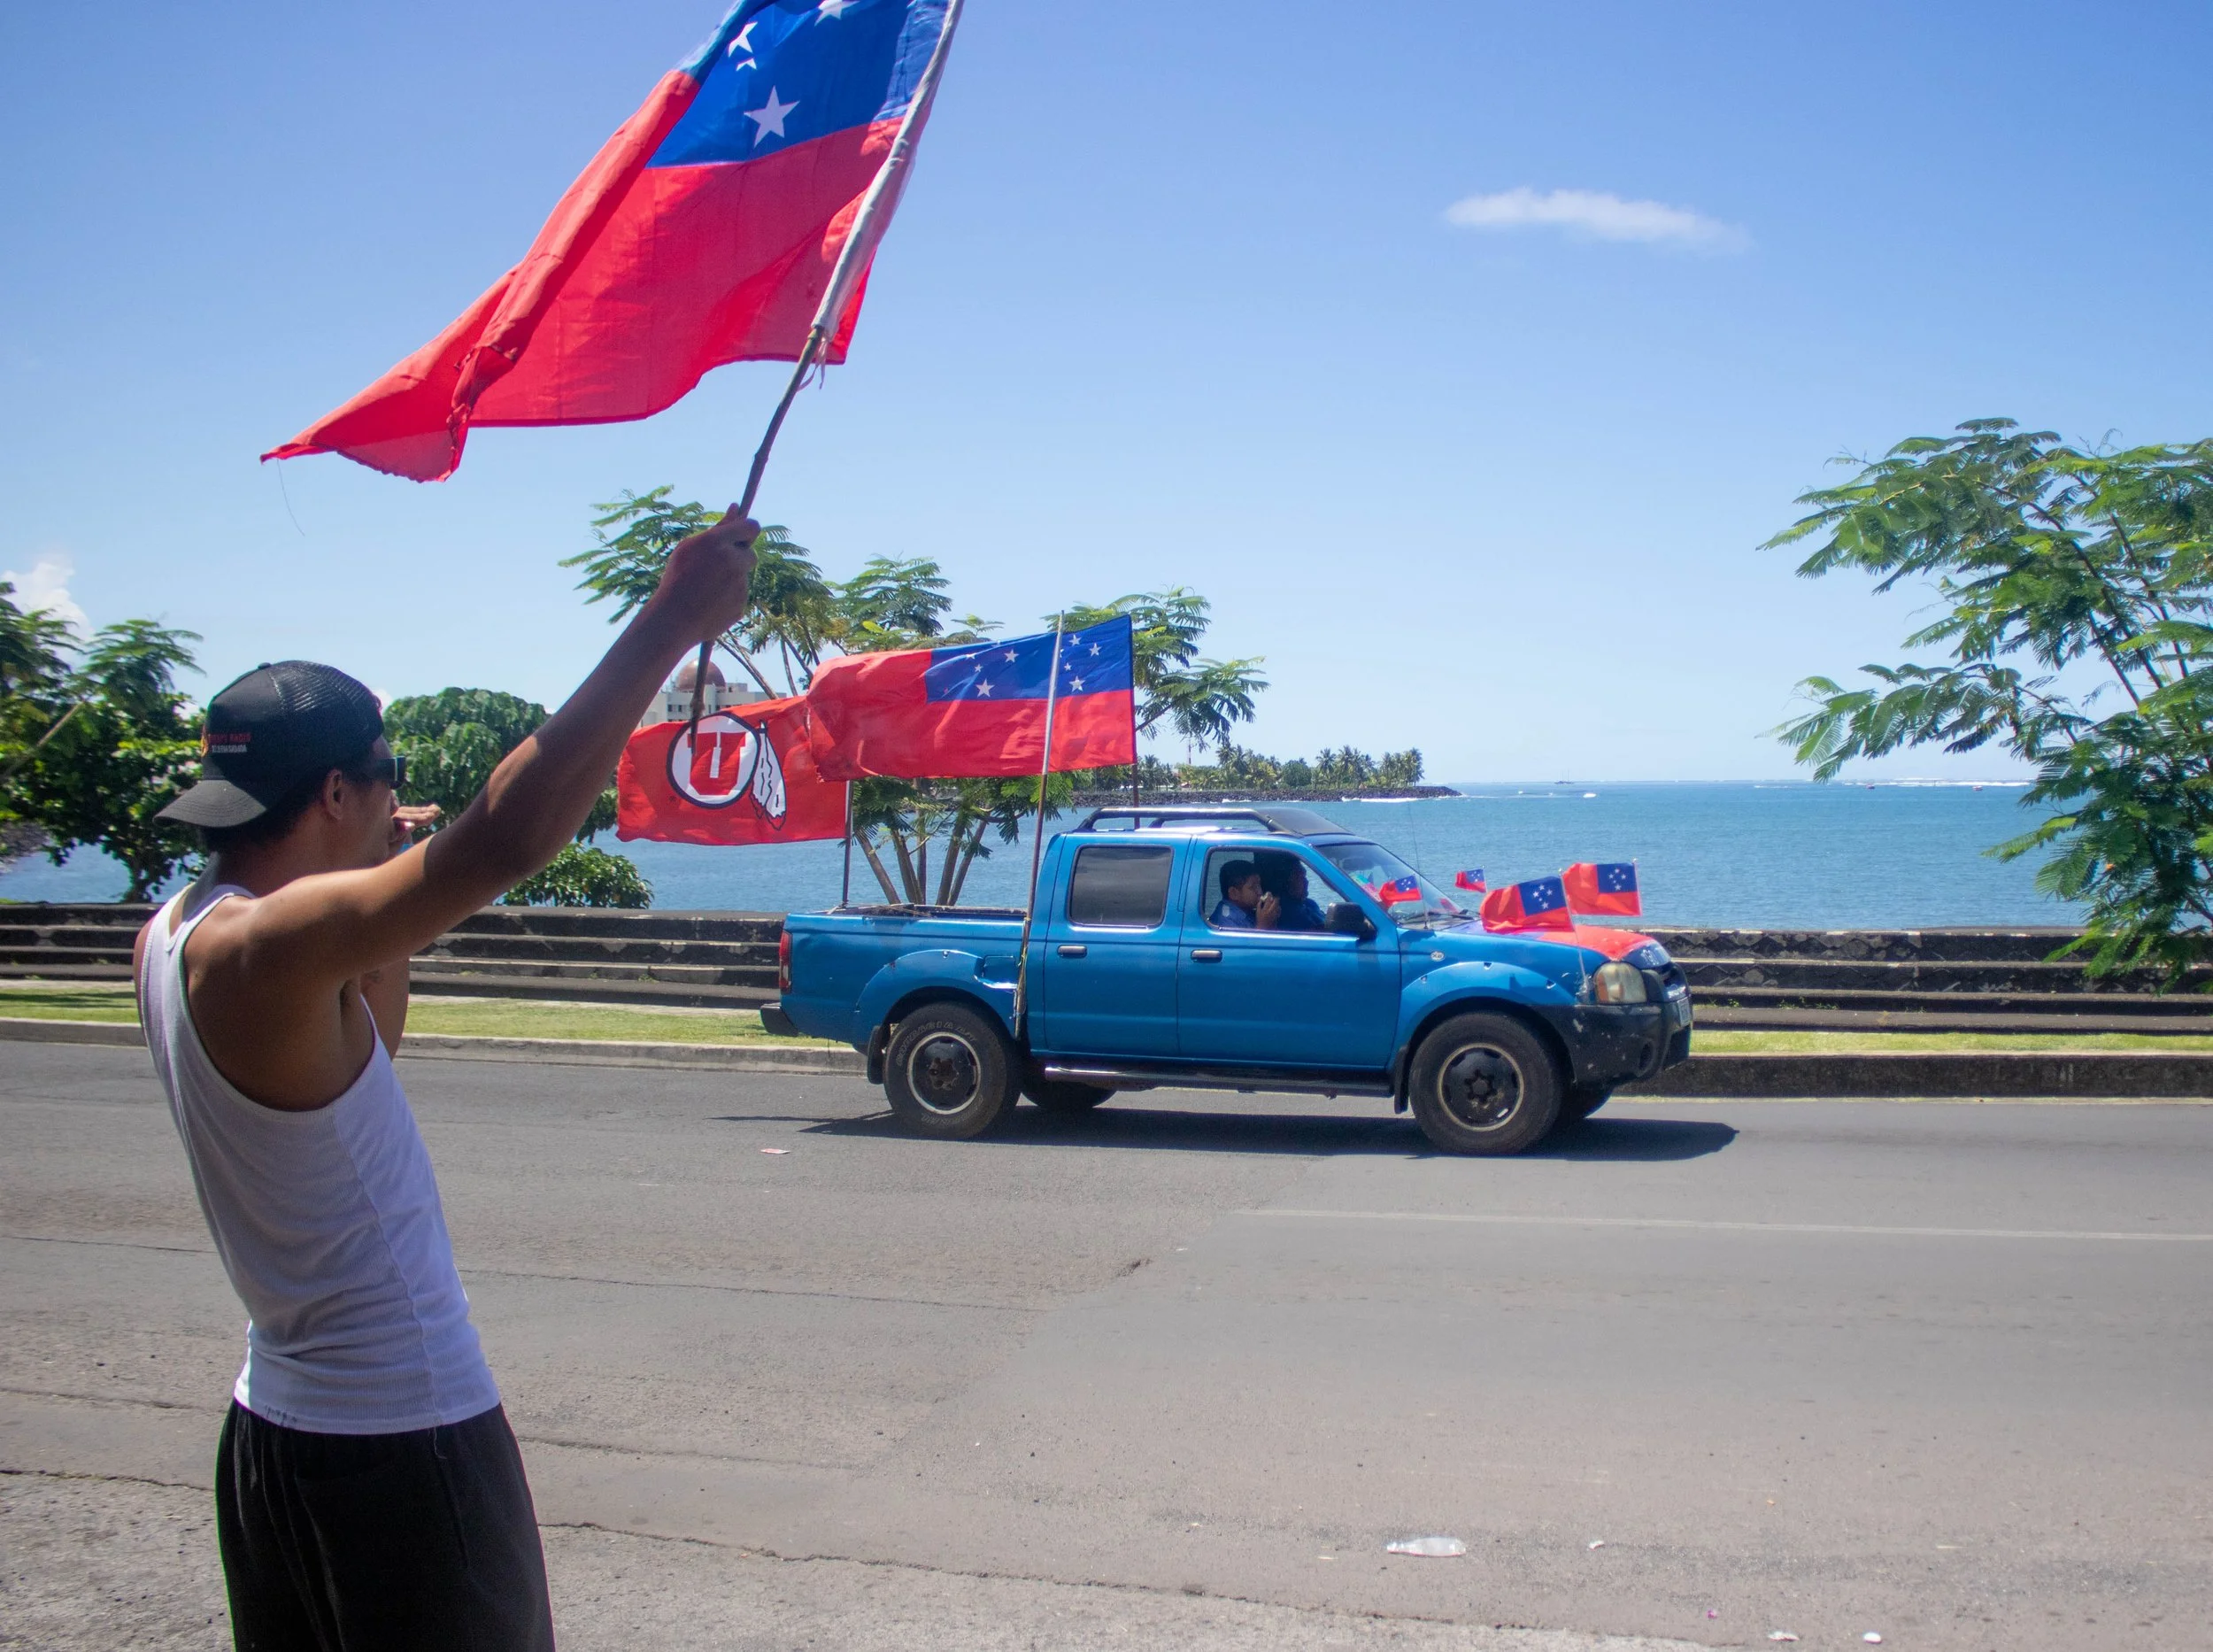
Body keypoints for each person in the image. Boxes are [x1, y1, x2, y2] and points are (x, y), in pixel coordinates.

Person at [133, 508, 760, 1651]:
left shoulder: (178, 930)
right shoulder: (265, 948)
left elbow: (366, 1058)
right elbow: (501, 844)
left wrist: (380, 894)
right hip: (401, 1437)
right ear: (334, 792)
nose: (395, 799)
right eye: (386, 778)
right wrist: (669, 621)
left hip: (278, 1430)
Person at [1257, 853, 1328, 932]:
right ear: (1286, 881)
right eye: (1299, 878)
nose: (1306, 882)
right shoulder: (1281, 911)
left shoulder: (1310, 903)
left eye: (1304, 876)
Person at [1208, 859, 1279, 929]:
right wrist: (1263, 925)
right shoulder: (1225, 922)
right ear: (1234, 893)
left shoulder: (1247, 910)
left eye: (1259, 885)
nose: (1260, 892)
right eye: (1253, 887)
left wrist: (1271, 918)